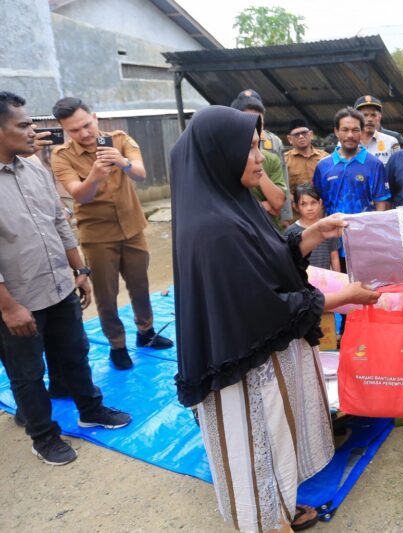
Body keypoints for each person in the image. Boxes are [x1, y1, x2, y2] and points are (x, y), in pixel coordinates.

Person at [169, 105, 380, 533]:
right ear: (219, 154)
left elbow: (269, 259)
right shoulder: (214, 229)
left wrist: (317, 232)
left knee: (276, 441)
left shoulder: (232, 204)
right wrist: (345, 297)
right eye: (248, 149)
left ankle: (279, 508)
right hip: (242, 374)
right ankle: (269, 521)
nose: (258, 159)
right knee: (256, 451)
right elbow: (266, 304)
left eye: (258, 147)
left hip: (258, 359)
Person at [0, 92, 131, 466]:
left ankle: (91, 409)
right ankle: (43, 436)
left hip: (59, 285)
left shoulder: (34, 169)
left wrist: (81, 270)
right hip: (18, 299)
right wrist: (8, 307)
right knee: (27, 372)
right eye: (23, 125)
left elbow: (59, 221)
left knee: (75, 352)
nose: (34, 131)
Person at [50, 97, 172, 370]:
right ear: (64, 130)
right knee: (106, 295)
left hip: (132, 228)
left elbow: (140, 174)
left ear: (94, 117)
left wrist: (123, 163)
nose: (83, 134)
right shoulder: (61, 156)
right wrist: (94, 175)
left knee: (140, 285)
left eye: (85, 126)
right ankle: (117, 345)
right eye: (74, 130)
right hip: (97, 235)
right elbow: (78, 193)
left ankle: (146, 332)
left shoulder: (120, 139)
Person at [312, 107, 390, 216]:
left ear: (362, 132)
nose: (350, 135)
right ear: (336, 131)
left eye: (355, 130)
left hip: (365, 231)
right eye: (345, 130)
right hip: (332, 231)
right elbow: (318, 204)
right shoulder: (323, 166)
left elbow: (381, 204)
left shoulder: (374, 165)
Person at [234, 89, 293, 226]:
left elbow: (283, 180)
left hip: (270, 217)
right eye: (248, 118)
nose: (254, 124)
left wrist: (285, 214)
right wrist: (261, 206)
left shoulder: (274, 143)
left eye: (258, 119)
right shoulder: (228, 152)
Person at [285, 186, 341, 271]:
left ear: (320, 203)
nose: (310, 208)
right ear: (295, 206)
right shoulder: (290, 232)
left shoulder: (328, 227)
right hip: (302, 281)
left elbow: (334, 257)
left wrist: (338, 280)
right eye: (303, 204)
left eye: (313, 203)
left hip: (325, 280)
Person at [284, 118, 328, 192]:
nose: (301, 136)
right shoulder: (285, 160)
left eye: (304, 133)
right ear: (290, 139)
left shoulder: (325, 157)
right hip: (297, 202)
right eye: (296, 134)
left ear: (311, 134)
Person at [354, 95, 399, 164]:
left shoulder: (391, 142)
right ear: (356, 118)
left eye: (373, 115)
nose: (369, 119)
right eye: (365, 115)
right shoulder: (348, 143)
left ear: (379, 117)